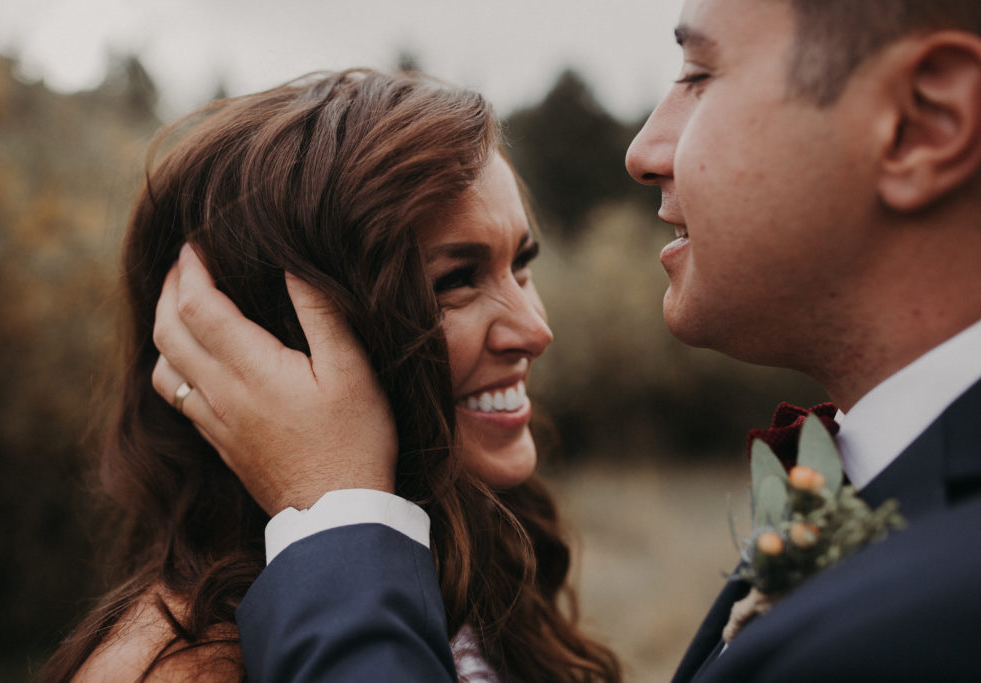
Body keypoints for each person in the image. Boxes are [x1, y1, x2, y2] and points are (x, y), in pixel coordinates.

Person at [153, 0, 981, 680]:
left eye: (699, 75)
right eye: (454, 279)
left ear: (922, 120)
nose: (644, 149)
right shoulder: (179, 662)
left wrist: (336, 516)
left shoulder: (945, 600)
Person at [40, 69, 619, 682]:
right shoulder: (181, 666)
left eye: (521, 267)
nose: (535, 330)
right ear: (276, 342)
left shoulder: (480, 551)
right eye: (456, 281)